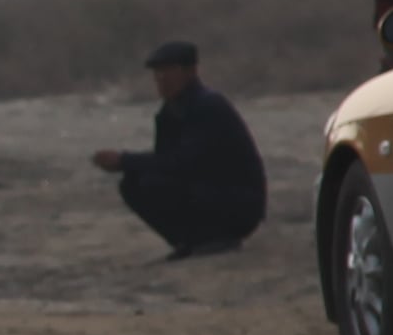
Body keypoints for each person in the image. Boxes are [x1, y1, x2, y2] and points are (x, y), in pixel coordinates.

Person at [92, 38, 266, 257]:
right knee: (135, 183)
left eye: (169, 71)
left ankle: (215, 237)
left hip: (237, 203)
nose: (161, 79)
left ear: (190, 71)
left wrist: (124, 160)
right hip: (207, 190)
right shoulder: (169, 112)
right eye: (157, 73)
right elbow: (165, 160)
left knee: (152, 180)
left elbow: (185, 162)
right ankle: (189, 241)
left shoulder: (208, 106)